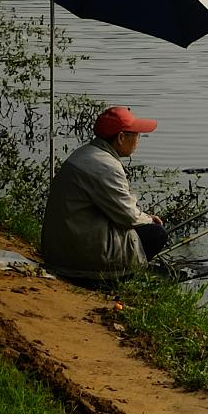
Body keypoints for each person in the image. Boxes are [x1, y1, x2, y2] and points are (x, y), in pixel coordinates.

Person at [41, 104, 169, 285]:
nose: (139, 139)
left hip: (58, 252)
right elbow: (128, 217)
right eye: (136, 135)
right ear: (121, 137)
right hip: (77, 261)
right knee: (157, 234)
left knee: (147, 228)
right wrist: (149, 219)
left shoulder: (85, 153)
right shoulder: (106, 166)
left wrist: (144, 217)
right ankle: (113, 280)